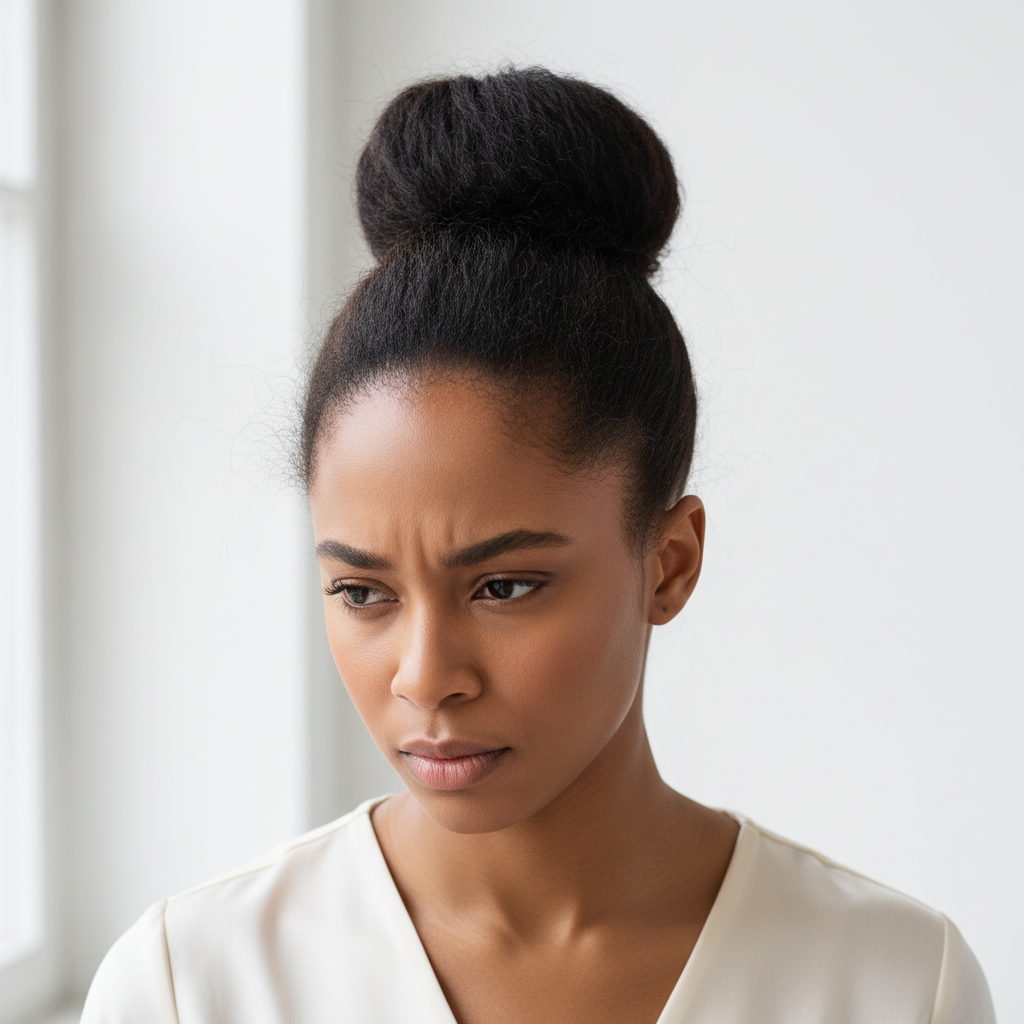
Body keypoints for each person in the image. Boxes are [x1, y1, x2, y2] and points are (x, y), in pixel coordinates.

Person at [80, 67, 995, 1024]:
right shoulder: (192, 985)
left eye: (505, 586)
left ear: (669, 562)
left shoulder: (895, 983)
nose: (426, 679)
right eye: (363, 593)